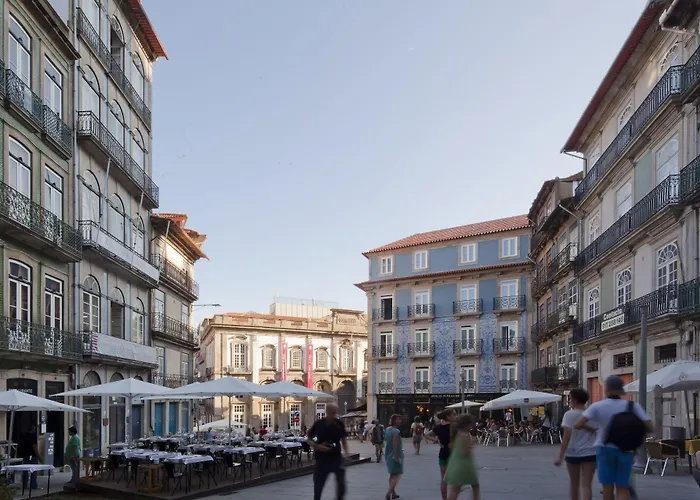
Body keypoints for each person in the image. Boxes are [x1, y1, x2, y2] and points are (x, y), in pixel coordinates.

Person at [575, 376, 653, 500]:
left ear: (607, 389)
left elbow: (578, 425)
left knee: (607, 487)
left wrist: (594, 429)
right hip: (626, 450)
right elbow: (650, 427)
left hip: (605, 448)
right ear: (621, 389)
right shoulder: (632, 406)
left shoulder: (597, 406)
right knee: (622, 487)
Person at [555, 388, 597, 500]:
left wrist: (560, 456)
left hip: (573, 453)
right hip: (590, 453)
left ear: (576, 400)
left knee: (574, 484)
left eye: (570, 398)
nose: (569, 401)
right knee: (586, 485)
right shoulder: (592, 414)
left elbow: (566, 437)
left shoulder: (569, 415)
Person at [307, 403, 349, 500]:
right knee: (318, 486)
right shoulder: (319, 424)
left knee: (341, 484)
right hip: (322, 458)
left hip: (336, 457)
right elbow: (308, 439)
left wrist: (346, 453)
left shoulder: (339, 423)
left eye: (335, 413)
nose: (333, 415)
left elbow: (344, 439)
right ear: (327, 412)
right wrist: (317, 446)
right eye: (332, 412)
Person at [443, 414, 480, 500]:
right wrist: (472, 442)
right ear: (467, 424)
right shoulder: (465, 435)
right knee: (475, 486)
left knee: (455, 489)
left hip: (455, 463)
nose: (472, 426)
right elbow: (465, 451)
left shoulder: (457, 433)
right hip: (464, 465)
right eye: (471, 424)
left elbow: (451, 446)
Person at [425, 409, 457, 500]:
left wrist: (436, 440)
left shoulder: (438, 427)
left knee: (444, 479)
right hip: (453, 454)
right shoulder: (454, 427)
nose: (456, 416)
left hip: (443, 453)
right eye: (454, 414)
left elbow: (426, 434)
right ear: (448, 417)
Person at [384, 414, 403, 500]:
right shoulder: (396, 431)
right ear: (394, 420)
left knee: (392, 474)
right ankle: (389, 492)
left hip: (388, 453)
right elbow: (395, 444)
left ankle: (393, 492)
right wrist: (396, 456)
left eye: (400, 419)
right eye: (398, 419)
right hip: (394, 454)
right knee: (396, 475)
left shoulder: (387, 429)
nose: (400, 421)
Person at [18, 423, 40, 490]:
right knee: (33, 470)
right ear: (33, 430)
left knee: (25, 470)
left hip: (25, 455)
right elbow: (35, 447)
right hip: (32, 455)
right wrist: (39, 456)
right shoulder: (33, 437)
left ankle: (24, 485)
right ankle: (33, 485)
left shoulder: (23, 436)